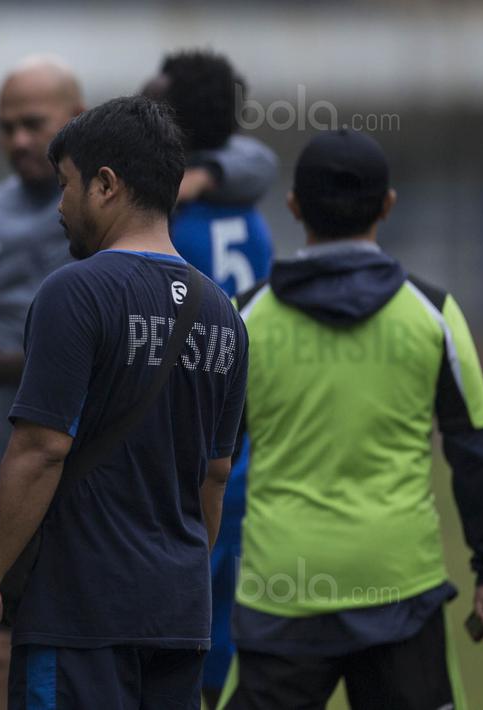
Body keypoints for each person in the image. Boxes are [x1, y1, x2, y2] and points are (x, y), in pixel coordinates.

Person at [0, 54, 271, 710]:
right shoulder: (225, 313)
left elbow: (41, 449)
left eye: (67, 186)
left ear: (104, 185)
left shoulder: (74, 291)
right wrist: (178, 572)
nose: (60, 208)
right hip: (179, 616)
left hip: (78, 614)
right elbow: (214, 474)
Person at [221, 130, 483, 709]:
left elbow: (205, 461)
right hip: (400, 588)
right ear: (388, 204)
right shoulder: (434, 314)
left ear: (293, 207)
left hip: (282, 590)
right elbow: (477, 451)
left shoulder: (245, 318)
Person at [144, 48, 278, 706]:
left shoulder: (164, 219)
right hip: (239, 427)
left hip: (175, 425)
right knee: (220, 577)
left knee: (174, 579)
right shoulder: (248, 215)